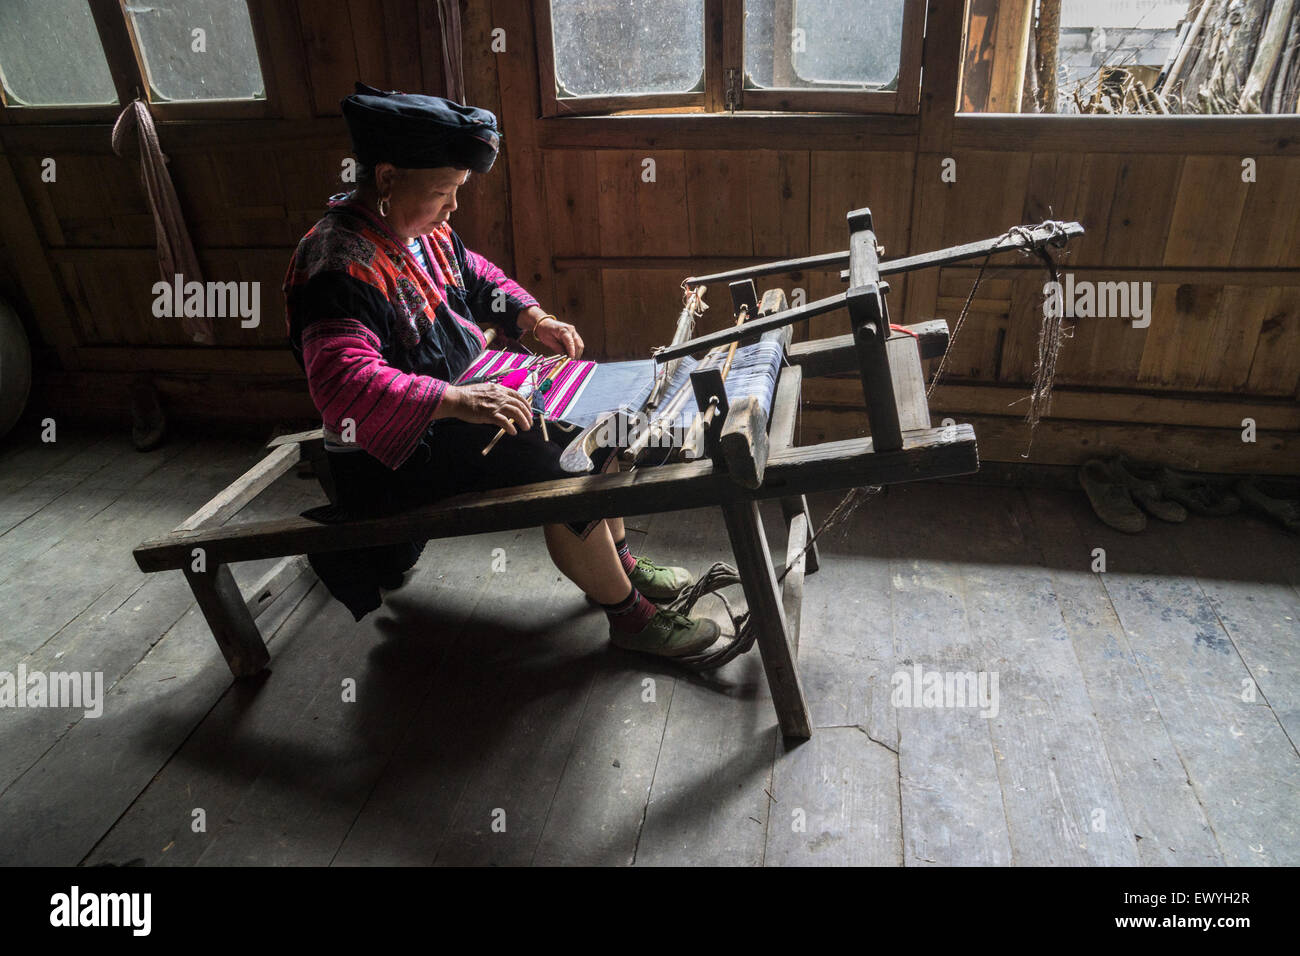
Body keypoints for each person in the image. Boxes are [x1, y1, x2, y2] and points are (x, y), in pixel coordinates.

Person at [283, 83, 719, 658]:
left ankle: (620, 563)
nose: (453, 207)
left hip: (462, 400)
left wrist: (535, 318)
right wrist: (459, 402)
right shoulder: (335, 263)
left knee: (609, 420)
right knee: (565, 458)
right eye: (444, 191)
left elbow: (480, 276)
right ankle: (630, 618)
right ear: (386, 179)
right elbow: (343, 384)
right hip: (396, 450)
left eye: (457, 191)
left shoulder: (424, 231)